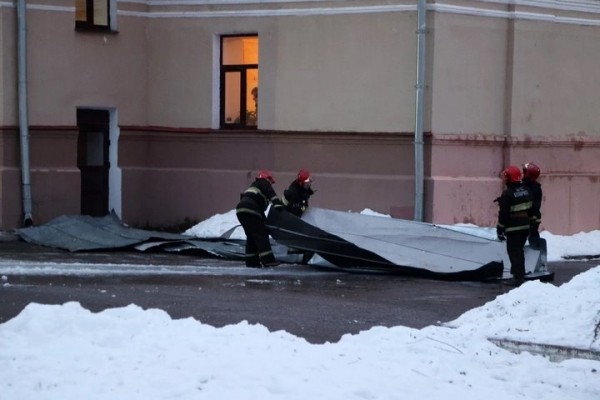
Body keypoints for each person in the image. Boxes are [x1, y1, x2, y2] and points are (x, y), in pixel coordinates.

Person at [236, 170, 284, 268]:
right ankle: (268, 261)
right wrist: (277, 204)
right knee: (261, 235)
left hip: (241, 210)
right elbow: (271, 193)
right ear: (267, 178)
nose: (270, 184)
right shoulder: (263, 182)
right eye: (270, 181)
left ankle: (252, 262)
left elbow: (260, 213)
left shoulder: (254, 188)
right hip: (250, 209)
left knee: (251, 236)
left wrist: (265, 223)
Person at [495, 165, 534, 286]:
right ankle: (517, 274)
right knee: (519, 251)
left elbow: (504, 214)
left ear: (510, 178)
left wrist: (500, 229)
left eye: (506, 177)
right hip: (525, 227)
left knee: (514, 252)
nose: (505, 179)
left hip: (513, 228)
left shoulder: (508, 194)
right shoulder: (526, 190)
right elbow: (530, 208)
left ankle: (518, 277)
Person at [521, 162, 542, 248]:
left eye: (524, 172)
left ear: (529, 174)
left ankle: (535, 250)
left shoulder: (532, 188)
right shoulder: (527, 186)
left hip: (530, 218)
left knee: (531, 236)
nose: (523, 173)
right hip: (530, 218)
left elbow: (534, 206)